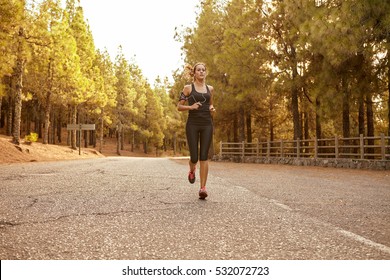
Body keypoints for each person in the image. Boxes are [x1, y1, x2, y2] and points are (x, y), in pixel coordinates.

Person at [177, 62, 216, 199]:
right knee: (194, 157)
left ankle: (202, 188)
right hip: (192, 124)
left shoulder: (210, 89)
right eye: (198, 70)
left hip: (207, 124)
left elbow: (210, 103)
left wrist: (211, 109)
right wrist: (191, 107)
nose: (201, 72)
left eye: (203, 70)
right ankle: (192, 169)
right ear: (194, 72)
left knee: (204, 156)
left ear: (206, 72)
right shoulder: (188, 88)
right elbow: (179, 106)